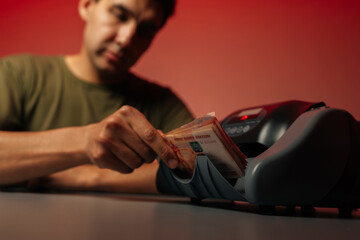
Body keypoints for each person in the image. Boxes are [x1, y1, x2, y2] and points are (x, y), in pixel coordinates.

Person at [0, 0, 193, 193]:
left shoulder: (163, 104)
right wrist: (85, 142)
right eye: (119, 15)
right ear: (86, 5)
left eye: (145, 30)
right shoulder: (17, 75)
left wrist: (88, 177)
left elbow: (202, 169)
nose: (126, 39)